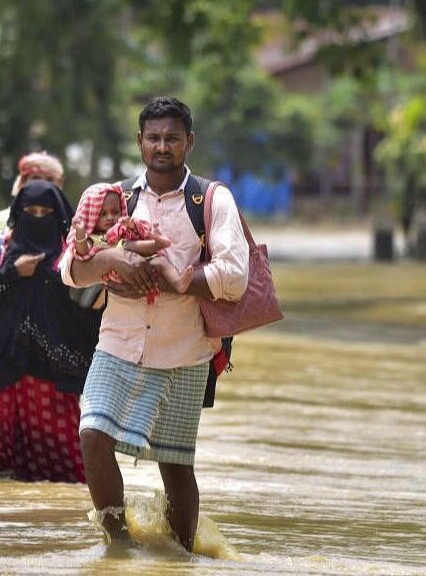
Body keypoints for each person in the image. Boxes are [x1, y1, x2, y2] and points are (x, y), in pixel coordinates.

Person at [60, 96, 248, 551]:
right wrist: (112, 260)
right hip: (117, 344)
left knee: (176, 466)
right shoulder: (112, 197)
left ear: (189, 143)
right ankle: (119, 545)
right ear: (139, 142)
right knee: (91, 436)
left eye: (172, 138)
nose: (162, 146)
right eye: (154, 138)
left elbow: (236, 278)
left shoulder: (211, 199)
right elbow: (69, 268)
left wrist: (177, 279)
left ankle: (181, 558)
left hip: (185, 351)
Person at [0, 180, 101, 482]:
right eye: (30, 211)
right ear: (18, 213)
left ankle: (54, 515)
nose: (37, 218)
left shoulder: (73, 251)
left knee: (60, 452)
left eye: (45, 212)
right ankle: (4, 515)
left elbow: (91, 301)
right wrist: (12, 272)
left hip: (51, 362)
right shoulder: (1, 245)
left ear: (59, 214)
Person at [71, 182, 193, 304]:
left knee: (161, 261)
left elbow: (137, 235)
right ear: (93, 215)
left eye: (115, 212)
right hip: (119, 275)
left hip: (144, 265)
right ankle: (157, 244)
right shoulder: (93, 237)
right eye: (103, 214)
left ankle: (177, 281)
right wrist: (80, 232)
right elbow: (83, 253)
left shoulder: (121, 229)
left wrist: (131, 226)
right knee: (125, 245)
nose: (110, 217)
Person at [0, 151, 65, 236]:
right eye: (36, 178)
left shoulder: (69, 223)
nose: (43, 184)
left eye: (50, 179)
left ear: (59, 184)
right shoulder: (2, 219)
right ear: (22, 182)